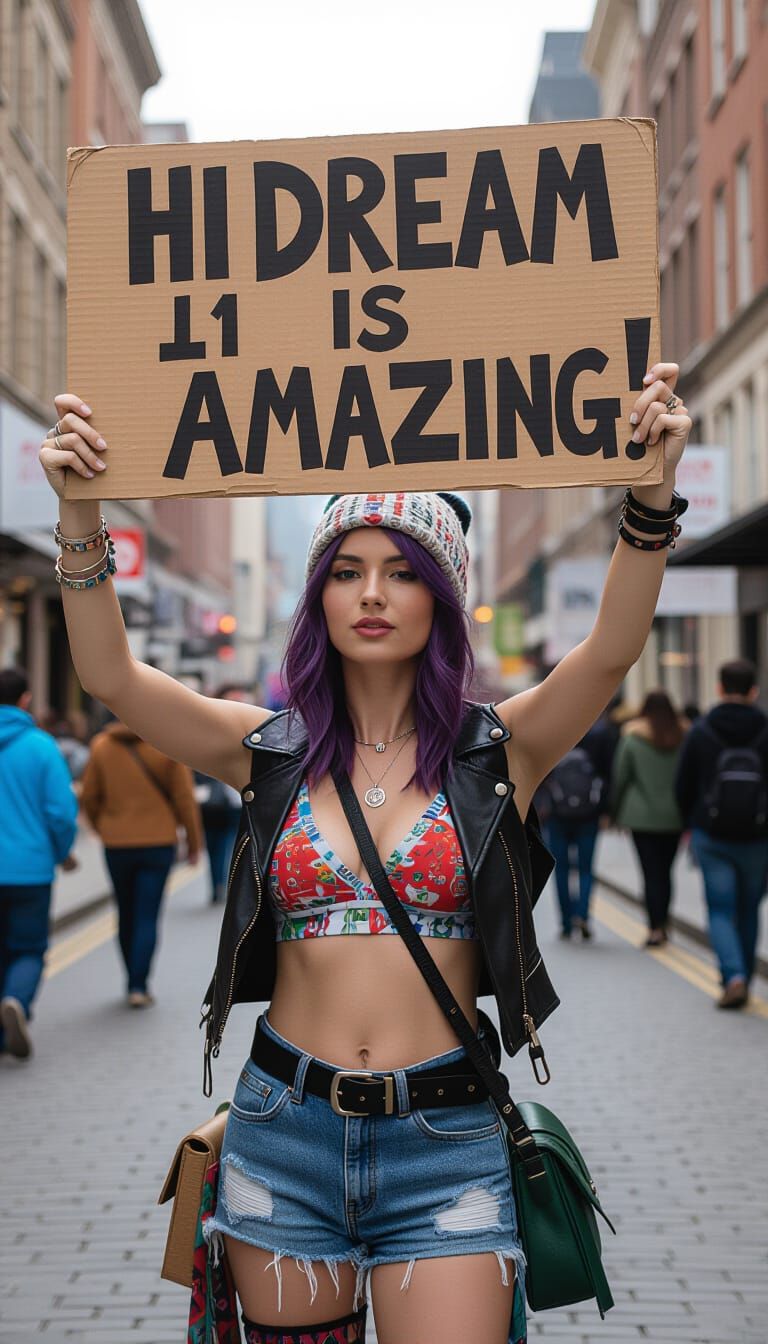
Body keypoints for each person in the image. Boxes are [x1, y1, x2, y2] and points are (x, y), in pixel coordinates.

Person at [39, 367, 691, 1344]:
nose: (373, 594)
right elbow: (111, 677)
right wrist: (81, 514)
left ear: (443, 598)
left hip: (447, 1143)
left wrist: (649, 499)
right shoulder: (264, 750)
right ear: (319, 598)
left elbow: (607, 651)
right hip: (280, 1132)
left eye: (402, 572)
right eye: (347, 571)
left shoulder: (499, 749)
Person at [78, 716, 203, 1007]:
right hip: (158, 843)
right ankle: (139, 984)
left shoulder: (101, 746)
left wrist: (103, 828)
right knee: (147, 915)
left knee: (125, 912)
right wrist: (195, 843)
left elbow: (90, 796)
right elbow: (185, 799)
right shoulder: (165, 744)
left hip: (117, 844)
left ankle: (130, 980)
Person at [675, 659, 768, 1009]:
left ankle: (735, 976)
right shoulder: (765, 728)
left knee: (719, 908)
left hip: (711, 834)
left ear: (719, 688)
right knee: (748, 907)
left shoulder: (701, 730)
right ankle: (744, 970)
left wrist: (691, 822)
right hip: (759, 836)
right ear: (753, 690)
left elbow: (682, 784)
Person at [0, 667, 78, 1059]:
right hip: (29, 869)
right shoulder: (41, 746)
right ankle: (15, 999)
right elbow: (61, 813)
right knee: (28, 949)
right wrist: (62, 850)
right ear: (25, 700)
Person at [609, 690, 686, 946]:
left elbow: (621, 778)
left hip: (641, 817)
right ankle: (663, 922)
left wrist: (615, 812)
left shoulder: (632, 738)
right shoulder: (683, 736)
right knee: (666, 872)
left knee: (650, 873)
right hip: (675, 816)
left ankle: (655, 928)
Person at [542, 725, 608, 941]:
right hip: (590, 814)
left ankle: (566, 923)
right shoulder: (600, 733)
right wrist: (606, 810)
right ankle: (583, 915)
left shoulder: (554, 730)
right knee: (586, 869)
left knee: (561, 870)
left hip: (557, 815)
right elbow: (608, 775)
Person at [196, 684, 251, 904]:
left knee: (235, 846)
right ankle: (217, 885)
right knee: (213, 847)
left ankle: (229, 886)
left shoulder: (253, 728)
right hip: (211, 802)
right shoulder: (207, 732)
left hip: (238, 801)